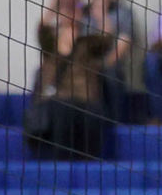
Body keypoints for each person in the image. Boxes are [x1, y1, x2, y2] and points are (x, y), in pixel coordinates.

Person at [29, 13, 114, 160]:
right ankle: (62, 163)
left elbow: (107, 39)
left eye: (74, 28)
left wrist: (100, 11)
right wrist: (55, 4)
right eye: (67, 28)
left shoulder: (86, 45)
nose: (71, 32)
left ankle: (88, 164)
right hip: (56, 102)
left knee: (92, 112)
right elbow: (41, 28)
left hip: (84, 101)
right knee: (63, 109)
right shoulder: (50, 46)